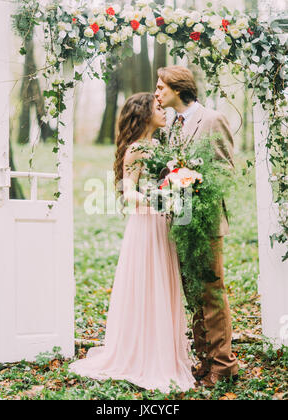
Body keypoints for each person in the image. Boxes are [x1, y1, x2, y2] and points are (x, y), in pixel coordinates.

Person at [69, 92, 196, 393]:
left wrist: (180, 188)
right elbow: (128, 192)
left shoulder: (161, 145)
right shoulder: (136, 149)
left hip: (163, 224)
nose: (162, 110)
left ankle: (163, 350)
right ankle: (143, 355)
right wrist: (159, 199)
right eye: (156, 107)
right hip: (146, 224)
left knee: (163, 287)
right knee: (147, 287)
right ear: (142, 114)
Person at [155, 65, 238, 388]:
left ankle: (223, 364)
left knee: (211, 291)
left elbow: (226, 170)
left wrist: (194, 182)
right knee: (192, 293)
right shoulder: (168, 126)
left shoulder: (212, 119)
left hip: (205, 220)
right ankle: (204, 360)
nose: (158, 92)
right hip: (179, 220)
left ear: (178, 89)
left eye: (162, 87)